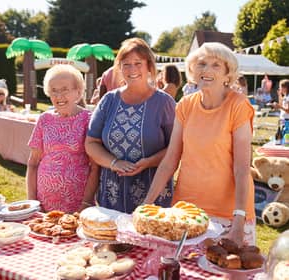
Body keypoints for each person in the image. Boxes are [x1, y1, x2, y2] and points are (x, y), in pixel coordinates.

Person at [143, 42, 255, 246]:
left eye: (216, 65)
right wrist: (146, 205)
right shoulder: (185, 104)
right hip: (187, 211)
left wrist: (239, 218)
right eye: (202, 64)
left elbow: (241, 168)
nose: (207, 70)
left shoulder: (238, 105)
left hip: (229, 214)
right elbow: (170, 161)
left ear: (228, 74)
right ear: (193, 70)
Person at [85, 38, 176, 214]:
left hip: (153, 196)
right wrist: (114, 162)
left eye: (138, 63)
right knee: (111, 240)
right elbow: (91, 142)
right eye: (126, 64)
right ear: (119, 68)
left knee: (149, 240)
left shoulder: (164, 103)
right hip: (111, 196)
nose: (132, 69)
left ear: (149, 66)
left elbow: (176, 148)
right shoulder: (108, 101)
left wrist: (148, 162)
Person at [26, 64, 99, 213]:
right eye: (54, 91)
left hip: (77, 203)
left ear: (77, 92)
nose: (59, 96)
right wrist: (32, 202)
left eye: (65, 89)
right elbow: (33, 163)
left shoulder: (89, 120)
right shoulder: (44, 119)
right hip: (43, 203)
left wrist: (85, 204)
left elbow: (95, 167)